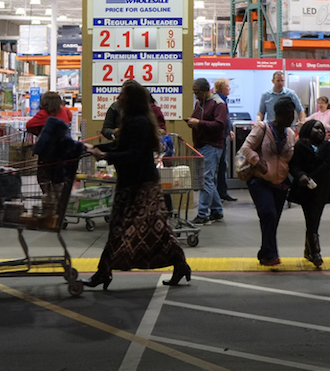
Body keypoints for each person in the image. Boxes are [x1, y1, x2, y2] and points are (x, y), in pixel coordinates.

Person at [82, 81, 191, 290]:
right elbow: (120, 146)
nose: (118, 97)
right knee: (151, 228)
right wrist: (93, 148)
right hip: (133, 182)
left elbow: (134, 154)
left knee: (125, 227)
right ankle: (179, 265)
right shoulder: (132, 120)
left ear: (130, 99)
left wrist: (104, 154)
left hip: (141, 185)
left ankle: (103, 272)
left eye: (121, 94)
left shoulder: (138, 122)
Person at [240, 96, 297, 267]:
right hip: (259, 180)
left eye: (292, 114)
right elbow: (246, 148)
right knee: (269, 214)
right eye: (288, 114)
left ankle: (264, 251)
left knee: (272, 220)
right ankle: (272, 255)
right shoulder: (262, 128)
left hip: (281, 183)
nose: (291, 118)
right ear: (278, 114)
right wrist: (258, 161)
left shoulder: (290, 134)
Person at [287, 119, 330, 268]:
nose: (320, 131)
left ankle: (310, 250)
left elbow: (328, 165)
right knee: (311, 217)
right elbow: (294, 165)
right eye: (316, 129)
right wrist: (301, 175)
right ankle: (315, 252)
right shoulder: (300, 145)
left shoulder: (327, 146)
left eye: (322, 129)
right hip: (304, 189)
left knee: (314, 217)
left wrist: (313, 177)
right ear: (308, 130)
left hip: (322, 187)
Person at [187, 77, 228, 225]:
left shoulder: (219, 104)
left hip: (212, 145)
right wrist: (193, 122)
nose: (196, 96)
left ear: (206, 91)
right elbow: (198, 118)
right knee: (208, 179)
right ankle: (216, 211)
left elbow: (220, 124)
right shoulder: (200, 103)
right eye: (194, 93)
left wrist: (199, 123)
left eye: (198, 92)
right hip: (202, 144)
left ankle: (203, 214)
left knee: (206, 180)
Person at [212, 78, 237, 202]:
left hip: (223, 137)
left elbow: (226, 118)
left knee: (223, 166)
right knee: (217, 167)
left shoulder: (223, 100)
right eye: (227, 86)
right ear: (222, 88)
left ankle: (222, 192)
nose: (229, 88)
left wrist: (230, 130)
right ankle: (217, 194)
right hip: (218, 139)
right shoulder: (218, 101)